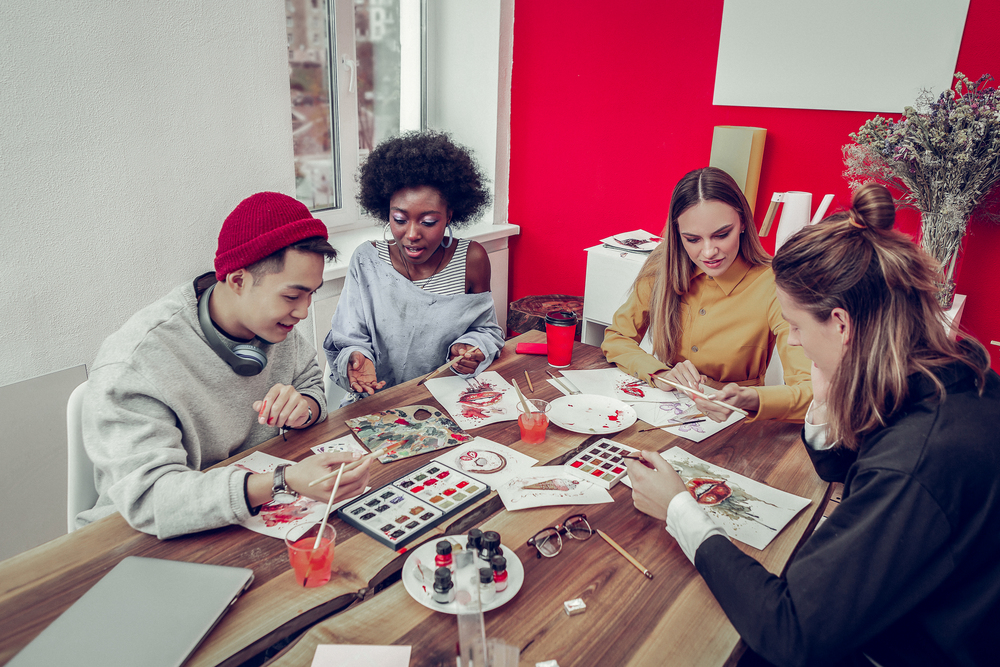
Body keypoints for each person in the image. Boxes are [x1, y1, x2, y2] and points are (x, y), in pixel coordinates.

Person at [627, 184, 1000, 666]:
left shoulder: (916, 459)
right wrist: (824, 403)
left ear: (841, 324)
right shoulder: (954, 368)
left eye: (797, 327)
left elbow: (791, 633)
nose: (797, 343)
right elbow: (839, 469)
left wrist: (679, 507)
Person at [80, 192, 372, 539]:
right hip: (135, 538)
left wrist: (304, 408)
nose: (303, 311)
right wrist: (282, 481)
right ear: (237, 280)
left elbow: (310, 382)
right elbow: (150, 500)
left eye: (311, 294)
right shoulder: (134, 363)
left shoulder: (275, 325)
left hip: (242, 514)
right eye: (293, 296)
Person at [602, 167, 812, 422]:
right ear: (678, 233)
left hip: (737, 423)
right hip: (664, 412)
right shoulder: (662, 267)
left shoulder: (775, 285)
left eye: (722, 235)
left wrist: (753, 398)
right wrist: (659, 373)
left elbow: (811, 393)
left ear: (743, 222)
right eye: (692, 239)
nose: (709, 251)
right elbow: (616, 338)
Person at [324, 131, 504, 401]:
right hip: (378, 403)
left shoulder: (471, 260)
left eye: (428, 222)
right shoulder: (367, 261)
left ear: (449, 217)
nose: (411, 234)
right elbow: (348, 337)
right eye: (399, 219)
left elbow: (487, 330)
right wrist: (356, 358)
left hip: (448, 399)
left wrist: (472, 347)